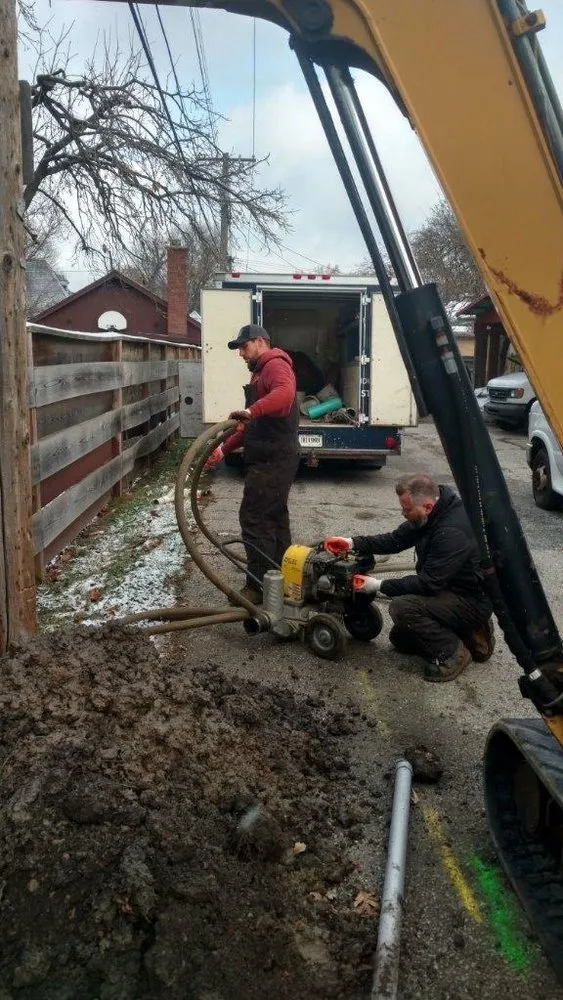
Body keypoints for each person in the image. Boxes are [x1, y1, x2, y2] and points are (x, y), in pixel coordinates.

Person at [324, 473, 495, 682]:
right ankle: (466, 632)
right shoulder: (434, 511)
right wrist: (352, 543)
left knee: (403, 608)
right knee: (400, 639)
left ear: (427, 507)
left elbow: (428, 583)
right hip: (449, 587)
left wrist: (378, 585)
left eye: (407, 510)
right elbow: (395, 540)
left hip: (470, 600)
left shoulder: (451, 531)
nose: (403, 514)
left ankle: (453, 652)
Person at [205, 324, 299, 604]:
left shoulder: (275, 365)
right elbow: (251, 426)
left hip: (273, 459)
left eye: (244, 347)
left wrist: (251, 409)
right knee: (274, 519)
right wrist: (224, 449)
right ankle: (281, 580)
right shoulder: (260, 372)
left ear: (260, 342)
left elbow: (284, 396)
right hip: (272, 457)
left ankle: (258, 587)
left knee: (255, 519)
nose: (241, 354)